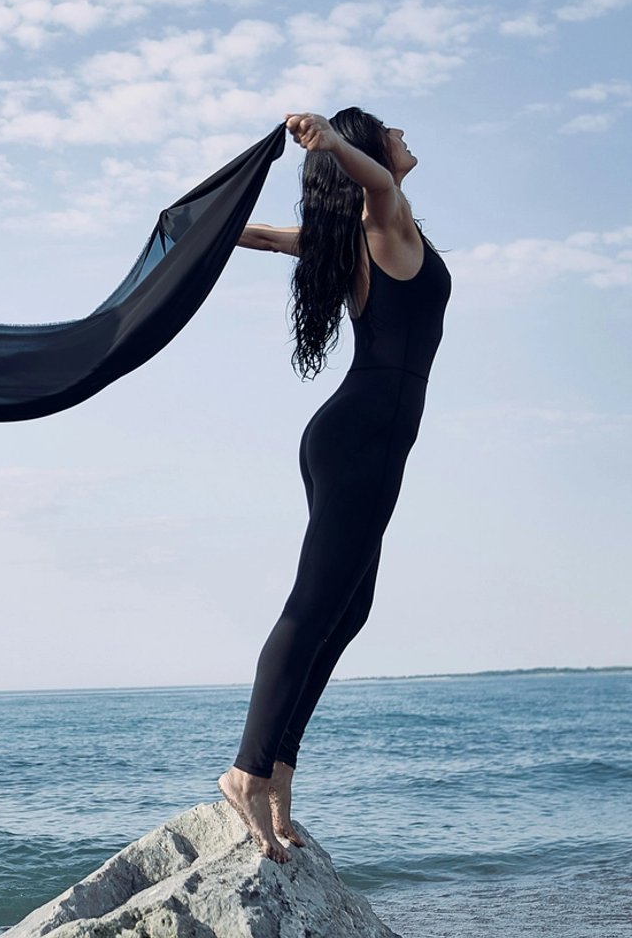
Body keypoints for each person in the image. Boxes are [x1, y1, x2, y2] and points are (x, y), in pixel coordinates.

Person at [215, 107, 451, 862]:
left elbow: (257, 237)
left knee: (348, 610)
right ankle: (246, 771)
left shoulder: (360, 237)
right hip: (362, 438)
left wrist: (208, 227)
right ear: (368, 149)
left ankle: (279, 765)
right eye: (391, 128)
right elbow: (376, 179)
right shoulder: (389, 217)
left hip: (359, 437)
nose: (406, 132)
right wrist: (331, 140)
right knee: (315, 606)